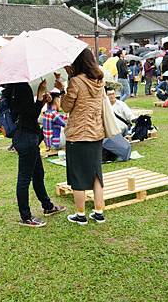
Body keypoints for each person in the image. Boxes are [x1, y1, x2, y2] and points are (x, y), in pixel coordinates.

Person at [2, 80, 66, 227]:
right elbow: (30, 115)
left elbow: (26, 112)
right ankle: (26, 217)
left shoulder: (12, 89)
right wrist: (39, 96)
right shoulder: (21, 88)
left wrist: (42, 100)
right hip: (27, 138)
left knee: (38, 174)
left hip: (25, 137)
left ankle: (48, 206)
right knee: (24, 179)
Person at [57, 48, 107, 225]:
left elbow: (66, 107)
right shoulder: (99, 79)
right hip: (96, 132)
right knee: (96, 175)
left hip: (78, 134)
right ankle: (98, 212)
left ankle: (80, 215)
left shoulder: (76, 82)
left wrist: (63, 89)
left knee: (78, 175)